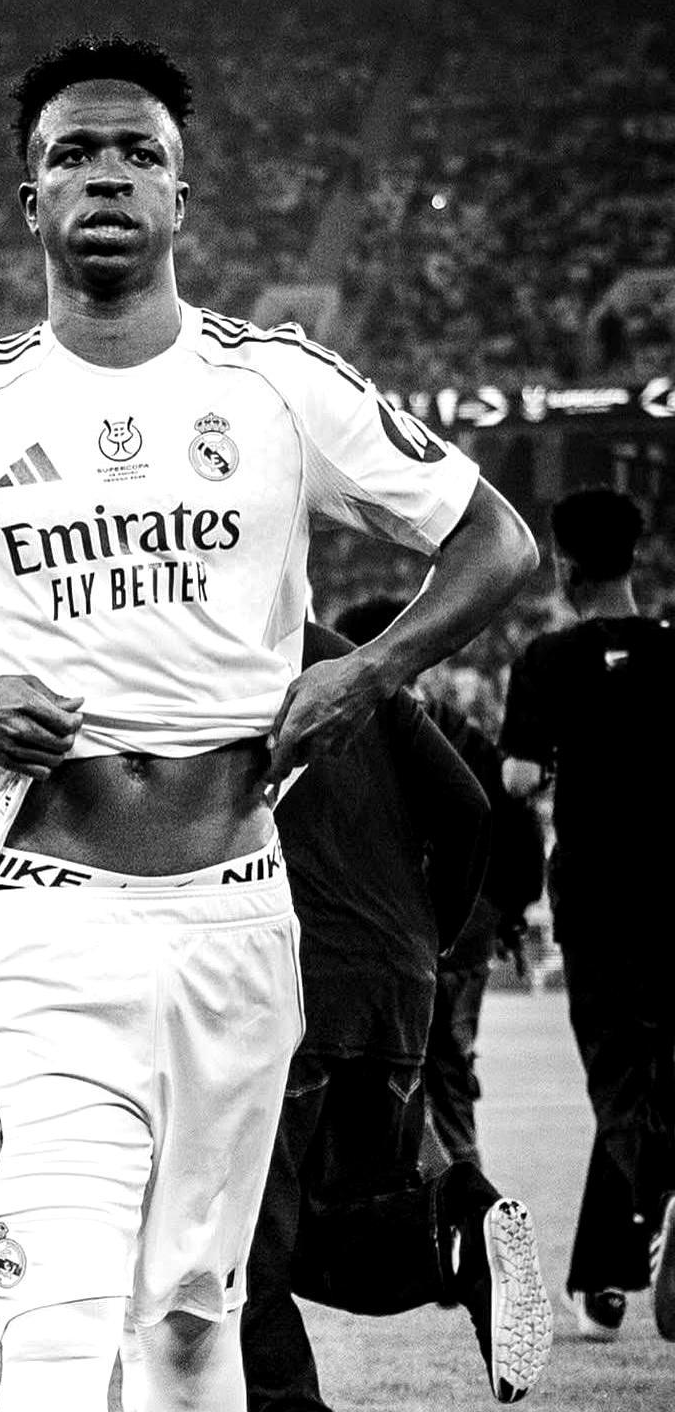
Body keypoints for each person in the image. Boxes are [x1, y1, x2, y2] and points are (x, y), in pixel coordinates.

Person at [0, 35, 539, 1412]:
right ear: (30, 200)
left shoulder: (278, 384)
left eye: (137, 153)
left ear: (180, 197)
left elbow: (496, 543)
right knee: (56, 1335)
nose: (106, 174)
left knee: (195, 1332)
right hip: (48, 929)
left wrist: (365, 674)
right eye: (72, 154)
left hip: (238, 924)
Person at [239, 618, 552, 1412]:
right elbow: (469, 807)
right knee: (333, 1230)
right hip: (395, 990)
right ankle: (457, 1229)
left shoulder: (213, 641)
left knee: (240, 1249)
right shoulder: (354, 666)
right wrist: (425, 941)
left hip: (280, 976)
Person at [501, 484, 675, 1344]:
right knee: (660, 1080)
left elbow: (519, 778)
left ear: (565, 566)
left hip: (599, 903)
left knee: (618, 1083)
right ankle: (604, 1275)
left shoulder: (548, 659)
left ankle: (644, 1220)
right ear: (634, 557)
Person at [335, 596, 546, 1173]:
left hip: (411, 938)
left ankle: (462, 1208)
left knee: (405, 1085)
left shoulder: (379, 732)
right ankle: (458, 1203)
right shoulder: (460, 732)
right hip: (457, 937)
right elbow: (516, 823)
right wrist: (502, 912)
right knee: (445, 1081)